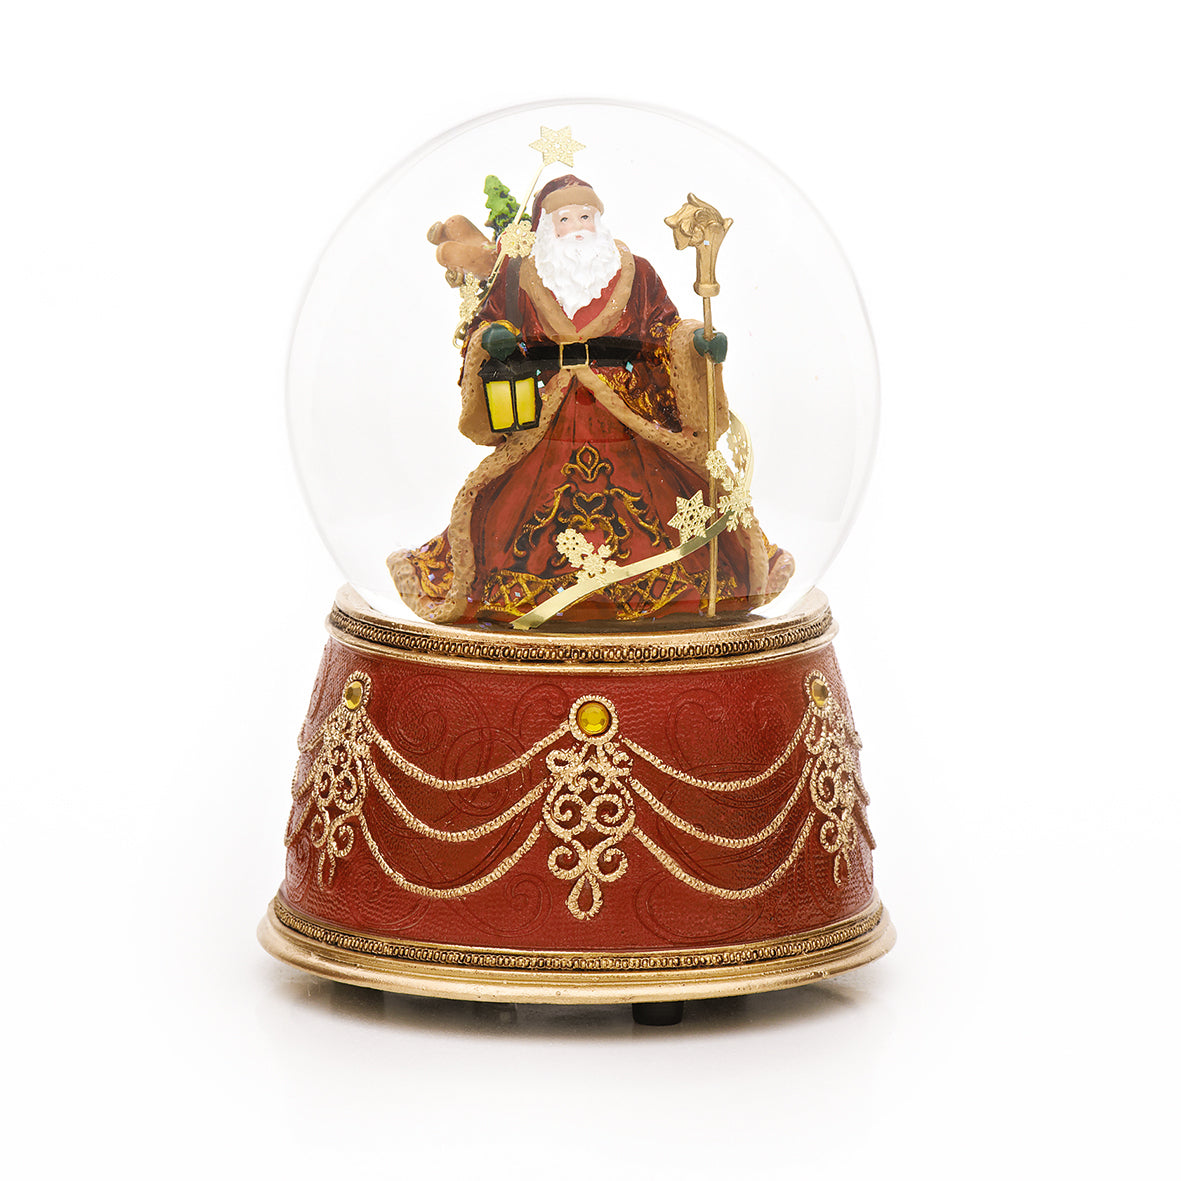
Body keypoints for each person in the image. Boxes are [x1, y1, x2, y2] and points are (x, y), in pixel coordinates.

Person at [388, 175, 792, 626]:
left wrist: (696, 341)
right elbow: (485, 326)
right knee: (512, 501)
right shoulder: (520, 276)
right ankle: (520, 587)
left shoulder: (636, 272)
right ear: (547, 227)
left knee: (665, 495)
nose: (578, 227)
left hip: (624, 411)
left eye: (586, 216)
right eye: (565, 219)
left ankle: (674, 585)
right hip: (551, 414)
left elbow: (662, 328)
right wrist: (493, 338)